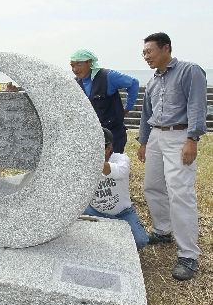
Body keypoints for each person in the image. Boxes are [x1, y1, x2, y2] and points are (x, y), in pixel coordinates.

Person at [137, 32, 207, 281]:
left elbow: (197, 105)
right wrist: (144, 142)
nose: (145, 56)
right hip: (156, 136)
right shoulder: (153, 81)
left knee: (180, 192)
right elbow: (146, 114)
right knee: (153, 186)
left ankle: (188, 255)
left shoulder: (190, 71)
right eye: (144, 53)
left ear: (166, 48)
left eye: (149, 51)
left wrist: (192, 138)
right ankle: (163, 230)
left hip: (180, 136)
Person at [82, 127, 149, 250]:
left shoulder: (121, 159)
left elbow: (117, 172)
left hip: (122, 213)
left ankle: (114, 229)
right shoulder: (83, 163)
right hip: (95, 211)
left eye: (99, 147)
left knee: (140, 241)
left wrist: (87, 161)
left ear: (109, 148)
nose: (93, 150)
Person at [70, 49, 139, 153]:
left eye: (79, 64)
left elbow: (133, 83)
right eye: (72, 65)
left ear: (89, 62)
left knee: (112, 166)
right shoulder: (76, 83)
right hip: (91, 135)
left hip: (114, 134)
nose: (75, 69)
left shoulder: (108, 76)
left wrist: (128, 107)